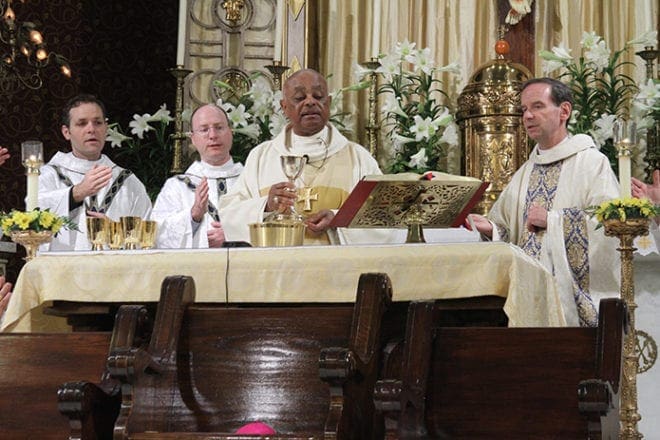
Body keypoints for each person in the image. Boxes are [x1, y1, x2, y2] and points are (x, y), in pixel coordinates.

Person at [467, 77, 620, 327]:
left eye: (537, 106)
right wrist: (491, 229)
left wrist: (553, 220)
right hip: (529, 299)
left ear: (564, 111)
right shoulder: (525, 172)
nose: (527, 116)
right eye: (524, 109)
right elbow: (509, 233)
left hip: (573, 308)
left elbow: (610, 226)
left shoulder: (591, 163)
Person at [218, 68, 382, 245]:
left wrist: (337, 220)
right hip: (279, 267)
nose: (310, 102)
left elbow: (383, 219)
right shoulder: (261, 157)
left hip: (337, 269)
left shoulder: (358, 158)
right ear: (284, 107)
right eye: (299, 98)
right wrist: (266, 206)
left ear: (329, 103)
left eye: (318, 96)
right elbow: (230, 214)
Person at [37, 94, 152, 251]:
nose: (91, 129)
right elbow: (33, 220)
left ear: (106, 128)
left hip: (114, 272)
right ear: (66, 132)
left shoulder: (127, 181)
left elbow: (148, 238)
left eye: (98, 123)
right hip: (65, 271)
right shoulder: (50, 175)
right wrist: (75, 194)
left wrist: (116, 233)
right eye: (82, 123)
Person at [150, 104, 244, 248]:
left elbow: (272, 225)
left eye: (219, 127)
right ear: (193, 139)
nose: (213, 135)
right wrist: (194, 216)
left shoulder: (251, 179)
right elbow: (157, 236)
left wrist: (236, 235)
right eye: (204, 129)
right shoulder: (177, 187)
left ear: (231, 132)